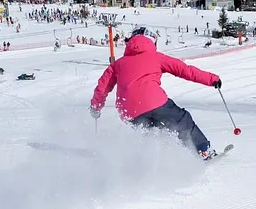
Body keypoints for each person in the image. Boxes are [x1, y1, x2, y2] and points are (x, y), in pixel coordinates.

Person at [89, 26, 222, 160]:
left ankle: (152, 163)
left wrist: (96, 107)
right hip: (155, 102)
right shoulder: (156, 57)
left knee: (152, 133)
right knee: (182, 121)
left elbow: (102, 87)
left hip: (128, 111)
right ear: (152, 41)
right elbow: (186, 71)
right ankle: (203, 151)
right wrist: (212, 79)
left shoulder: (118, 64)